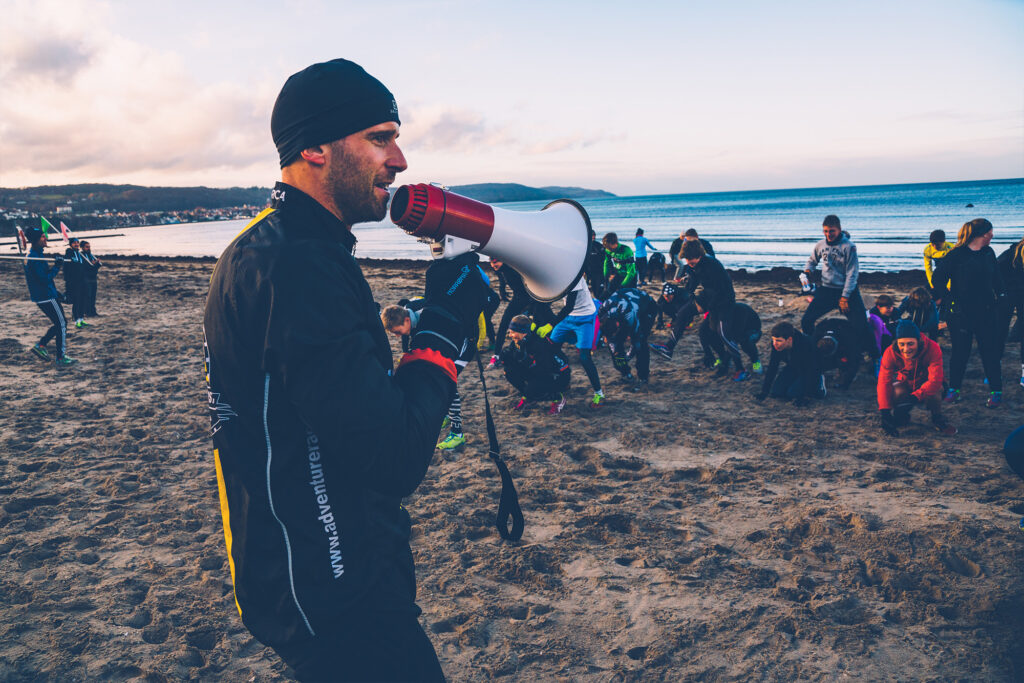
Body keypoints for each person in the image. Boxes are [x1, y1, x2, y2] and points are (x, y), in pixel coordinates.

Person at [203, 58, 492, 681]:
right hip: (336, 590)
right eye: (380, 138)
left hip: (288, 569)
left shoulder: (258, 247)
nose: (401, 160)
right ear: (314, 147)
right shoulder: (304, 266)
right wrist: (445, 327)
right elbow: (394, 456)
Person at [931, 218, 1004, 408]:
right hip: (960, 314)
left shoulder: (989, 253)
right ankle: (954, 391)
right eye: (990, 232)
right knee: (960, 353)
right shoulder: (957, 255)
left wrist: (1001, 297)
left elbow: (997, 278)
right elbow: (937, 278)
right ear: (981, 234)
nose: (992, 235)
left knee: (990, 352)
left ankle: (996, 391)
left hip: (987, 312)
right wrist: (948, 299)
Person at [648, 240, 735, 373]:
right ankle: (668, 348)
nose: (689, 263)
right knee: (683, 313)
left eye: (691, 261)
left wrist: (707, 308)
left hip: (723, 299)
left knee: (718, 333)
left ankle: (738, 366)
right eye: (687, 260)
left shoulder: (712, 265)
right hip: (708, 295)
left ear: (700, 255)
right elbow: (691, 286)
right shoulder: (692, 265)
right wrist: (688, 286)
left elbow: (721, 290)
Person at [800, 215, 874, 359]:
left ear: (839, 230)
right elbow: (811, 261)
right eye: (826, 231)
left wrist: (845, 297)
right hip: (826, 290)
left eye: (832, 231)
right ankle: (813, 348)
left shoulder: (849, 247)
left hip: (847, 291)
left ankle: (875, 356)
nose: (829, 234)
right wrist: (808, 271)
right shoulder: (820, 245)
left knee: (861, 326)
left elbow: (852, 274)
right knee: (806, 321)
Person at [877, 320, 956, 436]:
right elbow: (884, 381)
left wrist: (914, 397)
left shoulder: (933, 348)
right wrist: (885, 412)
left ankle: (937, 418)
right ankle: (902, 417)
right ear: (896, 342)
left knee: (936, 390)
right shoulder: (890, 352)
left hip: (927, 384)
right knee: (895, 390)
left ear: (918, 341)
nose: (906, 349)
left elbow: (935, 380)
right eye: (902, 344)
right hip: (906, 384)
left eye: (910, 343)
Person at [547, 275, 605, 406]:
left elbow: (569, 306)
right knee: (551, 349)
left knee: (584, 357)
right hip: (568, 318)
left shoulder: (575, 276)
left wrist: (551, 324)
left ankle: (599, 393)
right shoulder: (556, 273)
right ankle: (564, 380)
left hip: (585, 318)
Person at [23, 228, 76, 367]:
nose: (45, 239)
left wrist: (58, 294)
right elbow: (45, 279)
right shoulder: (34, 258)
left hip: (46, 295)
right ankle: (60, 357)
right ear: (34, 240)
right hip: (45, 297)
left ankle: (41, 345)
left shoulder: (36, 255)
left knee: (60, 323)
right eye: (42, 237)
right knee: (62, 324)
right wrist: (58, 266)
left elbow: (44, 280)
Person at [500, 315, 572, 414]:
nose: (510, 335)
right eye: (509, 332)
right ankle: (529, 397)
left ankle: (558, 398)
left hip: (558, 375)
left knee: (533, 387)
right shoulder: (517, 342)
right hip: (538, 371)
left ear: (523, 333)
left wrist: (526, 361)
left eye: (513, 332)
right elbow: (511, 358)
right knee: (509, 372)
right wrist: (503, 358)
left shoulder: (538, 344)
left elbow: (545, 369)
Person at [598, 287, 658, 391]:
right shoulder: (602, 312)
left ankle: (643, 377)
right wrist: (618, 355)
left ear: (618, 324)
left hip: (647, 308)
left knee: (641, 343)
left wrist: (628, 356)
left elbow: (636, 341)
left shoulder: (629, 314)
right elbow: (609, 340)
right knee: (615, 348)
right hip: (622, 307)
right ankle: (626, 373)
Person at [754, 322, 825, 405]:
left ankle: (820, 382)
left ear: (789, 339)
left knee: (793, 394)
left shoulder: (805, 344)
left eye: (778, 341)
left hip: (811, 369)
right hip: (792, 366)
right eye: (773, 340)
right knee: (777, 392)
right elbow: (773, 366)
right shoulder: (776, 345)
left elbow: (812, 369)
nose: (775, 343)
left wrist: (806, 396)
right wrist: (764, 392)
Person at [489, 257, 534, 366]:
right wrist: (502, 291)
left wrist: (531, 307)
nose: (493, 265)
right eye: (491, 262)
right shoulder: (500, 270)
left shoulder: (513, 268)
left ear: (503, 260)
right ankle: (496, 355)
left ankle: (533, 352)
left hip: (530, 300)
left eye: (496, 262)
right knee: (504, 324)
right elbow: (502, 281)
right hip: (517, 299)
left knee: (532, 326)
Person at [996, 237, 1024, 388]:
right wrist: (999, 291)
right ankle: (994, 370)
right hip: (1006, 296)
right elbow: (994, 270)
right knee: (1000, 330)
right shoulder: (1011, 253)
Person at [812, 318, 861, 390]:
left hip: (848, 334)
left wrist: (845, 385)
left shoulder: (850, 340)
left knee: (847, 361)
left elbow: (854, 362)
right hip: (830, 328)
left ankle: (842, 370)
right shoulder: (816, 335)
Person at [62, 236, 88, 328]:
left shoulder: (80, 254)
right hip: (74, 282)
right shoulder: (69, 254)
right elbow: (66, 268)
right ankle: (76, 320)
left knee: (83, 300)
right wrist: (69, 281)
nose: (76, 244)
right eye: (74, 243)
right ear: (70, 245)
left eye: (77, 243)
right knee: (76, 301)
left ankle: (81, 318)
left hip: (82, 281)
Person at [80, 240, 102, 317]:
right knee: (88, 296)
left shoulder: (90, 255)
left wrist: (96, 264)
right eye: (87, 247)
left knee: (93, 296)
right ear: (82, 247)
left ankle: (93, 312)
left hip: (93, 278)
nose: (88, 248)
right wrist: (92, 264)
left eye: (89, 247)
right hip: (86, 278)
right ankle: (87, 312)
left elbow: (95, 267)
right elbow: (84, 267)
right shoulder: (81, 255)